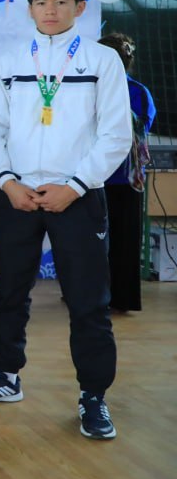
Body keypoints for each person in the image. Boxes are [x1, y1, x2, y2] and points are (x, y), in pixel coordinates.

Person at [0, 0, 131, 440]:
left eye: (61, 2)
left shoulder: (102, 61)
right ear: (30, 9)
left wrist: (75, 186)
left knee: (88, 302)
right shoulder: (10, 61)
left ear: (80, 8)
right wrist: (7, 181)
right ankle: (6, 375)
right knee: (9, 294)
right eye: (41, 2)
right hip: (17, 195)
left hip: (76, 196)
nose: (50, 10)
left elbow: (116, 134)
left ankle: (93, 396)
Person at [97, 33, 156, 312]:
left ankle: (122, 298)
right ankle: (86, 293)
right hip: (88, 179)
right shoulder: (86, 87)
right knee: (89, 241)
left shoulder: (137, 91)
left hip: (124, 178)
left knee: (124, 240)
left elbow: (140, 130)